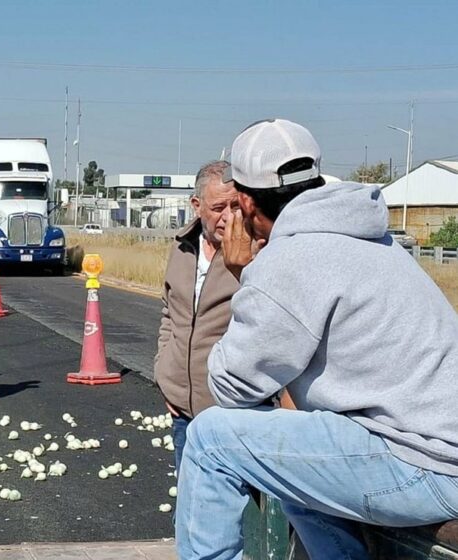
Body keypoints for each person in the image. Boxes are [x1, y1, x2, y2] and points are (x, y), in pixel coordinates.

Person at [174, 119, 458, 560]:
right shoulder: (373, 236)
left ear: (245, 202)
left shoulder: (290, 259)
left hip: (426, 466)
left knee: (211, 439)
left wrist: (246, 275)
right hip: (433, 450)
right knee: (290, 468)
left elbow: (231, 386)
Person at [153, 161, 239, 473]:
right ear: (197, 205)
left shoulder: (254, 254)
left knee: (232, 513)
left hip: (230, 414)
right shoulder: (181, 248)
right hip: (182, 410)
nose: (228, 216)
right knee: (189, 506)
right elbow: (169, 313)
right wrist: (164, 374)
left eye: (235, 205)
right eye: (218, 207)